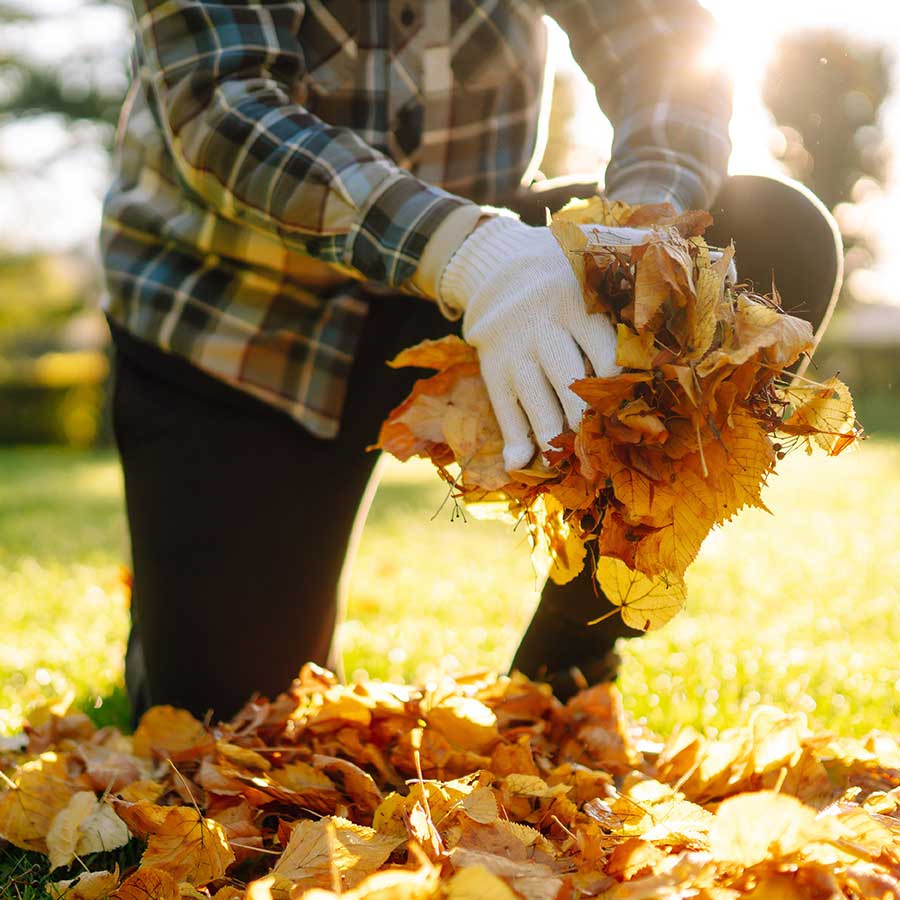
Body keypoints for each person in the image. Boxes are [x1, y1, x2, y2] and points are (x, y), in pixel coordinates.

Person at [100, 1, 836, 723]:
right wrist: (468, 257)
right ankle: (176, 603)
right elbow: (221, 106)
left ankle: (561, 671)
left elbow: (662, 41)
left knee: (767, 235)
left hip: (502, 278)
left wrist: (630, 242)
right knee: (225, 717)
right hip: (241, 315)